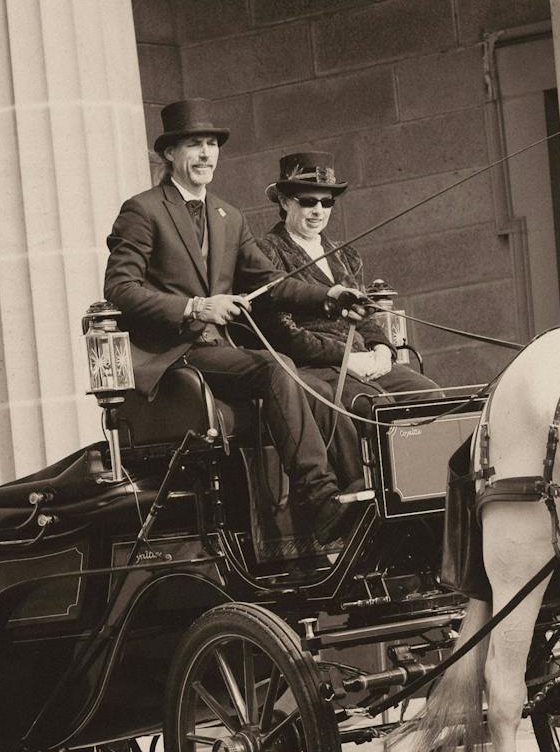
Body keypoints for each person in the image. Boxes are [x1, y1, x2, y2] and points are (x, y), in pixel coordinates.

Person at [102, 99, 369, 543]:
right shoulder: (143, 210)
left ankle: (351, 497)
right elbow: (120, 290)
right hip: (175, 356)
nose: (206, 154)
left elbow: (273, 284)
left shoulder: (228, 216)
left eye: (211, 144)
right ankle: (317, 499)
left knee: (318, 388)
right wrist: (194, 307)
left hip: (219, 352)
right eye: (194, 144)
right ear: (169, 153)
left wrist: (332, 296)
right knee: (274, 366)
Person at [254, 151, 438, 482]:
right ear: (284, 201)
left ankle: (422, 489)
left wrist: (383, 348)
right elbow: (282, 332)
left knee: (429, 397)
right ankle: (373, 497)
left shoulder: (345, 254)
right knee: (376, 406)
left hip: (363, 359)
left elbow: (364, 313)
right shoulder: (267, 253)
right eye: (308, 201)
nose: (318, 211)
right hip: (313, 367)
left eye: (327, 203)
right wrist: (347, 358)